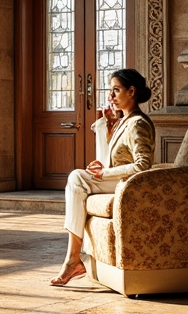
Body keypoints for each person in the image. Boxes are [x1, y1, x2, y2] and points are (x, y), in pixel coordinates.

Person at [50, 67, 155, 286]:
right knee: (78, 180)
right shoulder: (124, 121)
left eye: (116, 90)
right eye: (110, 90)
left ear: (132, 91)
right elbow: (116, 158)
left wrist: (105, 173)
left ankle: (73, 259)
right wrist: (103, 158)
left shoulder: (138, 123)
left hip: (129, 184)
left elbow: (143, 165)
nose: (110, 96)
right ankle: (74, 258)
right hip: (118, 180)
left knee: (77, 178)